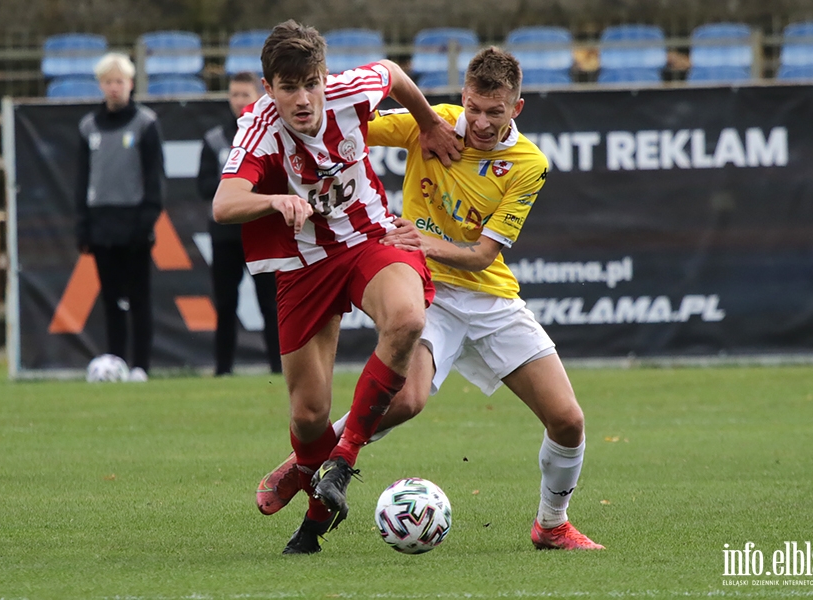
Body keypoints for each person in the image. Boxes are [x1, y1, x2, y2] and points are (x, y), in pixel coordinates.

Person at [256, 47, 604, 551]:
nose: (480, 123)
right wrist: (285, 107)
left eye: (494, 112)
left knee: (569, 421)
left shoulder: (529, 164)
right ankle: (309, 460)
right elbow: (348, 122)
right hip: (427, 291)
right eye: (473, 108)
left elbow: (483, 255)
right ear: (462, 97)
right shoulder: (433, 123)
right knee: (407, 401)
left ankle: (551, 525)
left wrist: (422, 239)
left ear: (517, 109)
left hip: (490, 300)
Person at [212, 20, 462, 555]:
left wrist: (430, 124)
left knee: (407, 319)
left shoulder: (350, 90)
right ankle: (309, 470)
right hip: (304, 265)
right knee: (307, 414)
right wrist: (273, 200)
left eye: (312, 83)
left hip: (368, 239)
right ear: (268, 88)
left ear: (325, 76)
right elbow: (224, 204)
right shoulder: (258, 128)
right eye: (288, 87)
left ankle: (340, 463)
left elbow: (392, 73)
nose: (303, 99)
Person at [75, 52, 165, 382]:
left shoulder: (145, 123)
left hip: (135, 224)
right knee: (111, 300)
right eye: (108, 82)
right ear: (101, 85)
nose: (114, 88)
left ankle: (141, 366)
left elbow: (155, 179)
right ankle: (116, 361)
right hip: (101, 225)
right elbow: (83, 180)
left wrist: (146, 221)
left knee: (139, 297)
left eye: (120, 82)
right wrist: (83, 226)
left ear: (130, 84)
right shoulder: (88, 127)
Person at [197, 71, 282, 376]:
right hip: (224, 235)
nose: (238, 101)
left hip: (260, 230)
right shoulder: (215, 138)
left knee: (271, 304)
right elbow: (204, 185)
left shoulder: (268, 135)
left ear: (258, 96)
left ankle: (278, 367)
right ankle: (223, 370)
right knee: (225, 304)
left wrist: (246, 190)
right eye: (234, 95)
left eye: (244, 95)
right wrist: (236, 184)